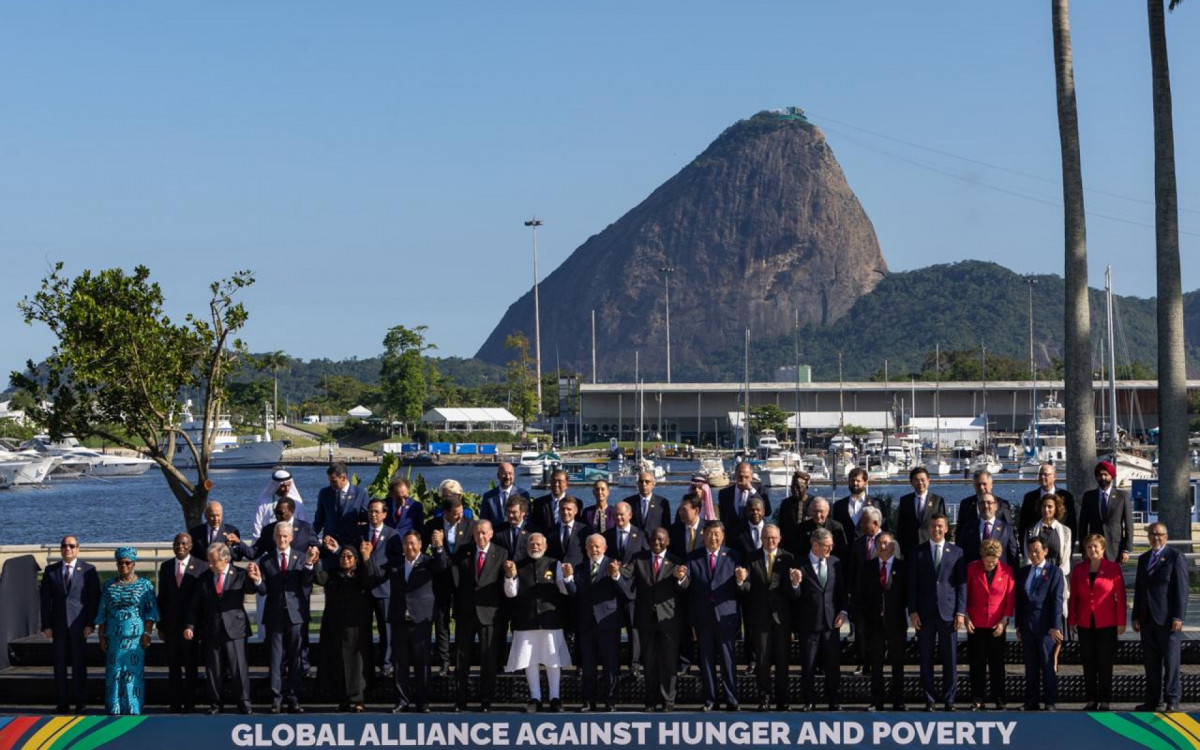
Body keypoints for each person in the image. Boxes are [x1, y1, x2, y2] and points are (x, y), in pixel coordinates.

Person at [434, 519, 508, 712]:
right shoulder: (463, 551)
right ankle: (460, 700)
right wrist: (439, 548)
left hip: (489, 614)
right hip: (465, 612)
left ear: (491, 534)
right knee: (461, 658)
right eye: (477, 533)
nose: (480, 536)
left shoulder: (501, 553)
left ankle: (486, 701)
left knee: (488, 659)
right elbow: (451, 573)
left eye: (484, 533)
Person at [369, 530, 445, 714]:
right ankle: (402, 701)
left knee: (422, 663)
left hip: (420, 620)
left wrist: (439, 547)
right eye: (406, 543)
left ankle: (422, 702)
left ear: (420, 544)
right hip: (399, 620)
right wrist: (367, 557)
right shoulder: (396, 562)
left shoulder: (428, 562)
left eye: (412, 543)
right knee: (400, 663)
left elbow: (442, 566)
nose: (409, 547)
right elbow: (377, 574)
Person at [185, 542, 262, 715]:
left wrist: (256, 579)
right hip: (211, 629)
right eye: (209, 561)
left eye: (213, 561)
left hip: (235, 629)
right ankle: (215, 704)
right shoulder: (204, 577)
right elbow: (195, 604)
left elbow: (257, 589)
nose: (210, 565)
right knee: (213, 669)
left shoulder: (240, 574)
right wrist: (190, 625)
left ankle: (244, 702)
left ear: (225, 559)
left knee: (238, 668)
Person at [503, 533, 571, 712]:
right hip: (526, 620)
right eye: (532, 543)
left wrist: (567, 577)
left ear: (545, 546)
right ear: (527, 546)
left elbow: (564, 590)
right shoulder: (518, 565)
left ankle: (555, 698)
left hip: (550, 621)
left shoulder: (555, 564)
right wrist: (509, 576)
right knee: (529, 660)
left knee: (552, 660)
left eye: (539, 544)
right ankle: (535, 698)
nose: (535, 546)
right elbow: (511, 593)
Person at [564, 534, 631, 711]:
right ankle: (588, 701)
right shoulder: (579, 568)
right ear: (586, 549)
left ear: (605, 548)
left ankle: (610, 701)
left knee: (610, 665)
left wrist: (615, 575)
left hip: (608, 623)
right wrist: (568, 579)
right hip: (586, 624)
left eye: (597, 546)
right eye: (590, 547)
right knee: (588, 666)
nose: (594, 549)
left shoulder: (614, 565)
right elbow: (574, 594)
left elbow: (625, 590)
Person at [908, 513, 966, 711]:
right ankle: (930, 699)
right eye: (933, 525)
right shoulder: (917, 552)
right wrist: (913, 611)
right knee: (926, 658)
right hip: (924, 613)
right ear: (928, 528)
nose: (937, 529)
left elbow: (961, 585)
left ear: (946, 528)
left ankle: (949, 699)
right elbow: (912, 584)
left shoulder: (957, 552)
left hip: (948, 613)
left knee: (950, 659)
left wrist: (961, 612)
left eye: (940, 526)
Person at [625, 527, 686, 712]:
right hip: (646, 619)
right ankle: (650, 702)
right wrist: (616, 572)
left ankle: (668, 701)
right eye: (653, 539)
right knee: (649, 663)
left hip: (668, 619)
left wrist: (680, 578)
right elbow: (626, 574)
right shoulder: (639, 558)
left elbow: (684, 586)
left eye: (661, 539)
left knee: (669, 663)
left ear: (668, 541)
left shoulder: (676, 561)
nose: (657, 542)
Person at [258, 523, 317, 713]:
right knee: (275, 660)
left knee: (295, 659)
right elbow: (263, 590)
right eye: (279, 536)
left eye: (285, 536)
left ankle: (293, 698)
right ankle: (276, 699)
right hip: (274, 616)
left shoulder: (301, 557)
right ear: (274, 538)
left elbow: (306, 585)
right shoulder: (266, 560)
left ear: (291, 538)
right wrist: (257, 580)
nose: (282, 540)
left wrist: (309, 564)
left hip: (295, 615)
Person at [684, 521, 742, 712]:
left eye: (717, 534)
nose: (713, 537)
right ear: (703, 534)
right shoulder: (693, 557)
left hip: (725, 617)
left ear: (723, 536)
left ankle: (732, 699)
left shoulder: (733, 555)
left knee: (727, 659)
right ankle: (711, 699)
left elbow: (743, 586)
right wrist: (680, 577)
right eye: (710, 533)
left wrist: (741, 580)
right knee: (706, 660)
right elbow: (685, 584)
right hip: (703, 618)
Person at [739, 523, 797, 712]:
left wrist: (795, 584)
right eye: (766, 537)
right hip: (759, 618)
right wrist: (740, 581)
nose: (770, 541)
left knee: (782, 661)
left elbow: (792, 593)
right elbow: (747, 588)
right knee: (762, 661)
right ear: (761, 539)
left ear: (779, 539)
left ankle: (782, 700)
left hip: (781, 619)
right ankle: (764, 698)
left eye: (773, 538)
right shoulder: (751, 558)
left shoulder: (788, 558)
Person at [94, 547, 159, 715]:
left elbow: (151, 612)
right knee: (114, 673)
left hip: (135, 638)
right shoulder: (109, 585)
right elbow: (102, 612)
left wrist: (147, 633)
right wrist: (101, 636)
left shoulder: (144, 584)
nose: (124, 566)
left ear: (134, 563)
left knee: (132, 674)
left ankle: (133, 709)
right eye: (120, 563)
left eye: (127, 563)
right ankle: (114, 709)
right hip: (114, 637)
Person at [40, 534, 100, 714]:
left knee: (79, 665)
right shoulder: (51, 571)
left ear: (78, 549)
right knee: (59, 666)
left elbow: (93, 599)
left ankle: (81, 702)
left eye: (72, 546)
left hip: (79, 626)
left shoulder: (88, 570)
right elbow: (45, 601)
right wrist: (46, 625)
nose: (68, 549)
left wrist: (91, 623)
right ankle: (62, 703)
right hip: (57, 626)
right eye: (65, 545)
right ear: (61, 549)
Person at [1132, 523, 1187, 712]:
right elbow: (1139, 589)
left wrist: (1179, 616)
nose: (1156, 537)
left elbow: (1182, 589)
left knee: (1171, 662)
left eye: (1159, 534)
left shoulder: (1175, 557)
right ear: (1148, 536)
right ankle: (1153, 700)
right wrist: (1136, 616)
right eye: (1152, 534)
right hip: (1147, 619)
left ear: (1166, 536)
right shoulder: (1143, 558)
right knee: (1151, 663)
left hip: (1168, 619)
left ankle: (1172, 699)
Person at [1068, 533, 1127, 711]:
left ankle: (1105, 699)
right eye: (1089, 547)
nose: (1092, 550)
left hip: (1107, 623)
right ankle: (1091, 699)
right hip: (1085, 622)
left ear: (1103, 549)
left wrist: (1121, 622)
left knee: (1105, 662)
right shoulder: (1079, 569)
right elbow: (1074, 597)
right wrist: (1072, 619)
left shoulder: (1113, 568)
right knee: (1088, 662)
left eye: (1095, 547)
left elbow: (1121, 597)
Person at [315, 545, 373, 712]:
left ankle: (359, 699)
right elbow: (319, 579)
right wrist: (315, 561)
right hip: (336, 626)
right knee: (340, 663)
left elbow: (369, 579)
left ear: (355, 559)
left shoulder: (360, 574)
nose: (345, 560)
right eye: (342, 556)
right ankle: (343, 699)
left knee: (358, 664)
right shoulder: (333, 574)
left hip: (356, 627)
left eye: (349, 557)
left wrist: (366, 558)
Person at [794, 527, 847, 712]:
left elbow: (841, 591)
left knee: (832, 665)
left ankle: (834, 700)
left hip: (831, 624)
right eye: (826, 546)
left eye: (831, 546)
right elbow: (794, 596)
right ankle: (809, 701)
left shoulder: (835, 562)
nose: (830, 549)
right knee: (808, 664)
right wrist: (795, 583)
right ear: (815, 545)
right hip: (809, 624)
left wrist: (843, 612)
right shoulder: (799, 564)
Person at [854, 531, 907, 711]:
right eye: (880, 543)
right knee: (876, 665)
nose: (883, 546)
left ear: (893, 546)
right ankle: (877, 701)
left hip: (896, 623)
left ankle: (898, 701)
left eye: (886, 543)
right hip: (874, 623)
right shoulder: (867, 567)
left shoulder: (902, 567)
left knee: (897, 664)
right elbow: (860, 595)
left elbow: (906, 596)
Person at [157, 533, 208, 713]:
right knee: (173, 666)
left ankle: (190, 703)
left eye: (184, 544)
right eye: (177, 543)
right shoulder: (166, 567)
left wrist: (198, 625)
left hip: (191, 627)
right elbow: (162, 597)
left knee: (191, 666)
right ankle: (175, 702)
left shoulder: (202, 566)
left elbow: (202, 600)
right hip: (171, 626)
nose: (180, 547)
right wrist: (160, 625)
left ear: (190, 546)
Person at [426, 493, 474, 674]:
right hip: (441, 578)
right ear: (445, 513)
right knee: (441, 621)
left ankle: (461, 661)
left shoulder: (470, 525)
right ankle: (444, 660)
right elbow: (424, 553)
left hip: (463, 579)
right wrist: (437, 547)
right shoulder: (432, 526)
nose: (460, 516)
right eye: (455, 513)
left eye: (461, 512)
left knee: (462, 620)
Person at [963, 539, 1013, 711]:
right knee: (976, 664)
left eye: (994, 560)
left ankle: (1000, 699)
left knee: (997, 665)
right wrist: (966, 617)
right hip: (975, 624)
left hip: (997, 625)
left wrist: (1004, 621)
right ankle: (977, 699)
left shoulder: (1007, 571)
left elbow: (1009, 598)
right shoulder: (972, 568)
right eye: (988, 560)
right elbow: (964, 594)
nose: (991, 563)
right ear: (982, 557)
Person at [1015, 537, 1064, 711]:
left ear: (1045, 551)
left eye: (1036, 550)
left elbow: (1057, 600)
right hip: (1027, 626)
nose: (1033, 554)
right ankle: (1031, 701)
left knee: (1048, 664)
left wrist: (1055, 626)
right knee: (1031, 666)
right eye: (1030, 551)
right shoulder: (1023, 572)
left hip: (1046, 628)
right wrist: (1018, 625)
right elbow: (1019, 601)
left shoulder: (1054, 572)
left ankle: (1050, 701)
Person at [605, 501, 648, 674]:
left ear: (630, 515)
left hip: (632, 589)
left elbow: (644, 559)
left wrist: (626, 569)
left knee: (633, 628)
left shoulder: (641, 534)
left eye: (622, 514)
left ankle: (635, 664)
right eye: (616, 515)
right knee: (612, 628)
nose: (619, 518)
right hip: (612, 588)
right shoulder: (607, 535)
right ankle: (612, 663)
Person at [1027, 494, 1073, 621]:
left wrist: (1056, 577)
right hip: (1037, 577)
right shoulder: (1031, 530)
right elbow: (1029, 556)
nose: (1046, 509)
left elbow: (1066, 558)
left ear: (1056, 509)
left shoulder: (1065, 532)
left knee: (1056, 614)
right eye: (1044, 506)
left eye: (1050, 506)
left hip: (1057, 576)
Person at [1078, 460, 1132, 563]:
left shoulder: (1122, 496)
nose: (1102, 477)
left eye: (1105, 475)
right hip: (1094, 548)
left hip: (1115, 548)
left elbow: (1128, 525)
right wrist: (1083, 549)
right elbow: (1083, 524)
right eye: (1100, 475)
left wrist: (1126, 549)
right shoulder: (1088, 496)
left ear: (1112, 476)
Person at [1018, 462, 1077, 548]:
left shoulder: (1066, 497)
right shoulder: (1029, 498)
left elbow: (1072, 525)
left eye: (1046, 475)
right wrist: (1024, 549)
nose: (1042, 477)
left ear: (1054, 476)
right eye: (1040, 474)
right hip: (1035, 547)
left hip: (1059, 544)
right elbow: (1023, 525)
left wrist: (1070, 549)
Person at [313, 461, 369, 547]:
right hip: (329, 546)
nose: (331, 484)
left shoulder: (360, 493)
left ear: (343, 477)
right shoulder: (324, 493)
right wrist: (310, 538)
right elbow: (319, 520)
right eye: (329, 481)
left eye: (334, 481)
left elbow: (366, 520)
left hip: (351, 546)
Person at [958, 492, 1019, 569]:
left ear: (996, 506)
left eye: (989, 502)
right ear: (978, 506)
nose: (986, 506)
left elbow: (1013, 556)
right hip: (974, 574)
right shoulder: (968, 528)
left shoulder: (1007, 529)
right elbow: (961, 555)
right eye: (982, 503)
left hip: (999, 574)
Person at [895, 466, 945, 556]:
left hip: (931, 548)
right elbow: (900, 527)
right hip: (909, 550)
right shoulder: (905, 500)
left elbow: (943, 526)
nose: (920, 483)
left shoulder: (938, 500)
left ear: (928, 481)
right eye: (916, 480)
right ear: (911, 482)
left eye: (923, 480)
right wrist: (900, 551)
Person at [250, 468, 308, 544]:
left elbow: (304, 524)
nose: (286, 489)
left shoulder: (297, 502)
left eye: (288, 485)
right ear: (276, 485)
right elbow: (256, 526)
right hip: (268, 543)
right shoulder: (264, 503)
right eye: (283, 486)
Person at [832, 467, 889, 546]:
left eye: (858, 481)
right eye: (852, 480)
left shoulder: (877, 504)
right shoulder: (839, 505)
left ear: (865, 483)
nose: (855, 483)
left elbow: (884, 529)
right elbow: (835, 530)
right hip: (845, 549)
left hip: (870, 549)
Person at [718, 461, 770, 530]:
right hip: (732, 533)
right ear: (735, 476)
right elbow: (723, 518)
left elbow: (767, 512)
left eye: (746, 477)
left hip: (752, 532)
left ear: (751, 477)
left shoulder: (760, 491)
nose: (743, 480)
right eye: (740, 477)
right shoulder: (724, 493)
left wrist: (752, 490)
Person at [547, 495, 590, 566]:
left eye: (569, 509)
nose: (565, 512)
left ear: (576, 511)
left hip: (577, 570)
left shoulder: (585, 530)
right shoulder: (550, 531)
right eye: (562, 509)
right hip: (556, 570)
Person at [669, 493, 705, 558]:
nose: (680, 513)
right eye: (680, 509)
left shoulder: (707, 528)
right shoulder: (673, 530)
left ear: (696, 511)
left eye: (684, 510)